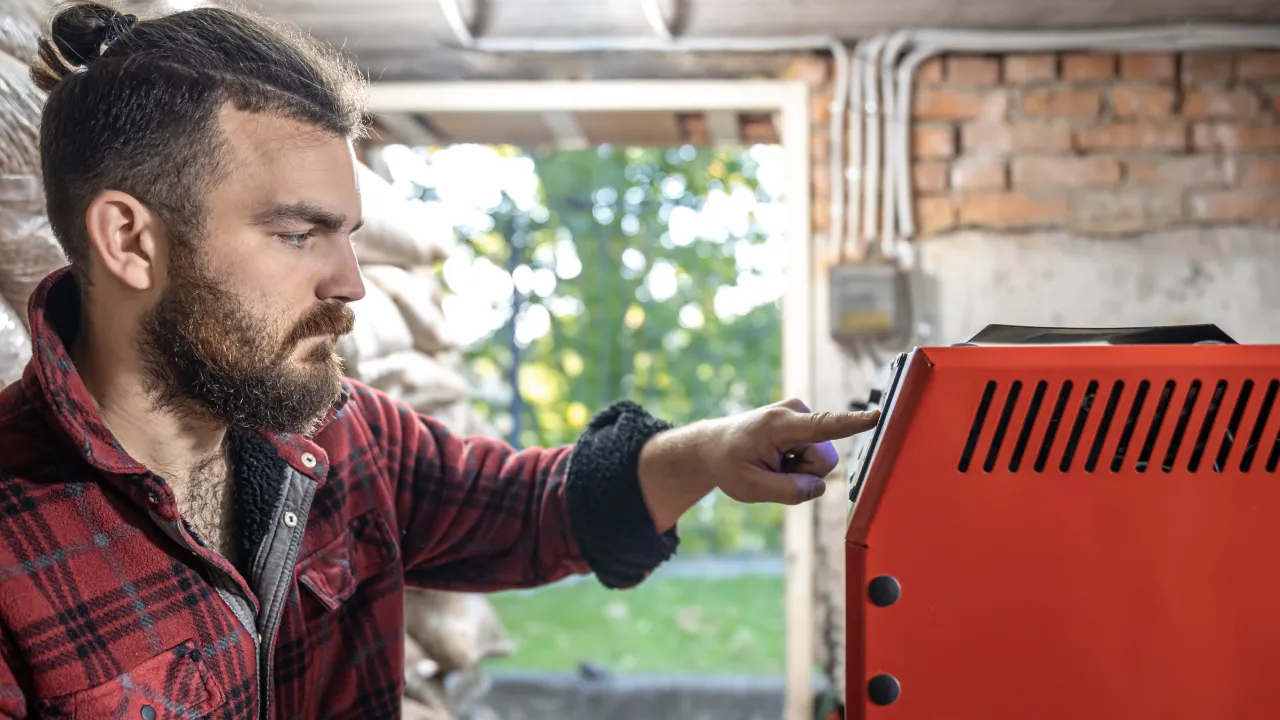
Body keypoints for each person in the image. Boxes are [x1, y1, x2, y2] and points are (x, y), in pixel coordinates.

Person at [0, 2, 879, 718]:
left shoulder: (343, 436)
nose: (350, 283)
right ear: (131, 240)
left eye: (347, 236)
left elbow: (535, 510)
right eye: (299, 233)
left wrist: (715, 450)